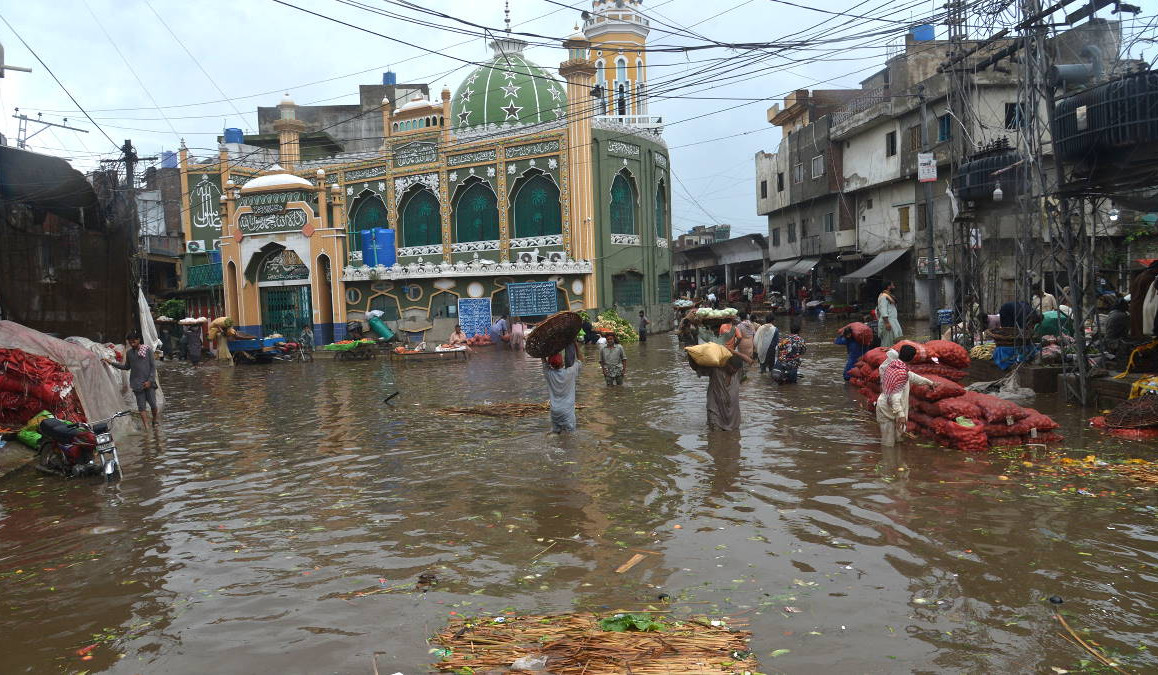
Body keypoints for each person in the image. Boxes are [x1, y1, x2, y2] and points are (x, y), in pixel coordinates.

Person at [876, 344, 935, 447]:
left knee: (898, 439)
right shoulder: (900, 373)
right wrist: (901, 415)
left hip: (890, 408)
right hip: (887, 410)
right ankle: (888, 461)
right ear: (912, 359)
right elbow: (895, 397)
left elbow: (911, 376)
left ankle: (896, 461)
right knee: (888, 444)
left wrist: (929, 382)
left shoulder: (894, 364)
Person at [104, 332, 159, 426]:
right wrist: (111, 363)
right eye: (130, 341)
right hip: (137, 384)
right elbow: (126, 367)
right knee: (141, 407)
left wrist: (150, 381)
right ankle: (146, 427)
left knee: (153, 405)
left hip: (149, 383)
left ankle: (154, 420)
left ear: (138, 340)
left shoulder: (147, 350)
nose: (132, 343)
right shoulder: (129, 353)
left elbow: (153, 367)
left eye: (134, 340)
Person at [542, 344, 581, 433]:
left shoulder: (549, 374)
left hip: (554, 411)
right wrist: (576, 344)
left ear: (550, 364)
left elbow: (543, 361)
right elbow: (580, 360)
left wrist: (543, 349)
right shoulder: (570, 372)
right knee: (570, 436)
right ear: (562, 362)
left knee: (556, 434)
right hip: (567, 411)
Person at [771, 317, 806, 384]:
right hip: (792, 366)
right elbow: (803, 352)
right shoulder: (801, 340)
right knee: (792, 387)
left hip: (780, 365)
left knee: (779, 386)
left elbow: (778, 349)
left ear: (790, 330)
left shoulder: (784, 339)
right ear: (799, 331)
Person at [877, 280, 902, 347]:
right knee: (887, 344)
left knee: (892, 343)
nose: (894, 287)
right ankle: (885, 357)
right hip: (887, 322)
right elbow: (883, 310)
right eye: (893, 285)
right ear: (888, 287)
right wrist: (887, 323)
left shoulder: (888, 296)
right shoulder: (883, 296)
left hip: (891, 321)